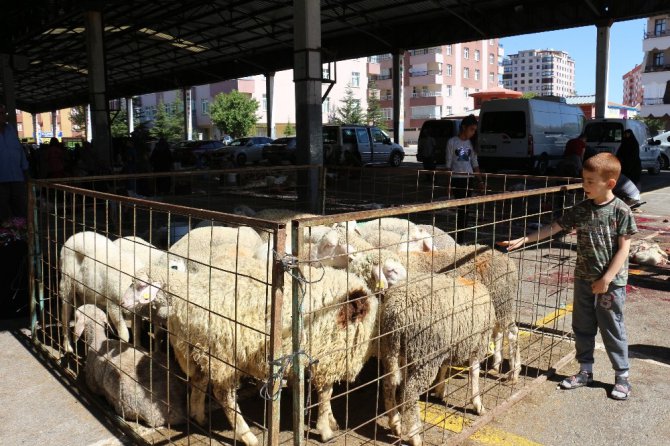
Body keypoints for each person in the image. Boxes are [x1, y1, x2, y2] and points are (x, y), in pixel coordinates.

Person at [498, 152, 636, 400]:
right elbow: (555, 227)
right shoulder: (582, 209)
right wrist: (525, 239)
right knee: (582, 326)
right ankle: (585, 371)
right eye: (584, 180)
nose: (585, 186)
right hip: (583, 278)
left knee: (612, 326)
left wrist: (606, 279)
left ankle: (622, 376)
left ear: (610, 183)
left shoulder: (621, 211)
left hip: (611, 284)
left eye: (591, 182)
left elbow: (624, 249)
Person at [444, 114, 484, 241]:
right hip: (457, 179)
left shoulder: (471, 143)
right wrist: (448, 183)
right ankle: (460, 238)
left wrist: (480, 181)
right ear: (463, 127)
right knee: (461, 209)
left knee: (466, 209)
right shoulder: (452, 142)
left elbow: (475, 163)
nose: (473, 132)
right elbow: (448, 164)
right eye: (471, 129)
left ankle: (462, 236)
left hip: (469, 179)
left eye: (475, 130)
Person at [0, 104, 29, 221]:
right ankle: (5, 237)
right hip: (1, 181)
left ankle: (21, 235)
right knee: (2, 211)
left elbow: (20, 151)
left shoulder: (11, 129)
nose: (2, 116)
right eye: (0, 114)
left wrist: (26, 170)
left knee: (20, 210)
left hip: (17, 178)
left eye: (3, 113)